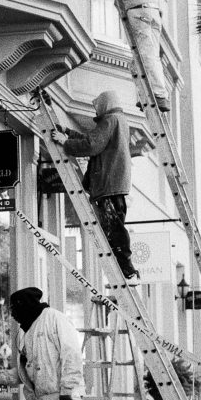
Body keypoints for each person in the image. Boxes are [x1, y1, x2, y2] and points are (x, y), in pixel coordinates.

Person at [51, 90, 139, 282]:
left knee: (114, 228)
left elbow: (92, 146)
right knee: (115, 226)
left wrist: (66, 143)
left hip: (108, 185)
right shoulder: (119, 121)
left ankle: (127, 269)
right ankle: (126, 267)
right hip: (114, 184)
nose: (96, 110)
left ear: (105, 105)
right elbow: (94, 141)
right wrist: (68, 133)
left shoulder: (110, 120)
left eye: (97, 106)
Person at [99, 0, 171, 113]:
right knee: (146, 56)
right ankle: (148, 95)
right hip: (150, 10)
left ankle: (159, 95)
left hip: (140, 11)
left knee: (146, 56)